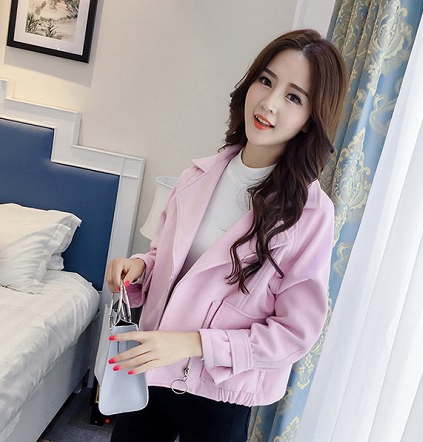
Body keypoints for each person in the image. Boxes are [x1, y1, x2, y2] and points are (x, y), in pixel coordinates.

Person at [105, 28, 347, 442]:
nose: (269, 103)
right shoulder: (197, 175)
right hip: (149, 368)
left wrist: (195, 344)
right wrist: (139, 268)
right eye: (266, 81)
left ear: (311, 118)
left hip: (221, 394)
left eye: (293, 97)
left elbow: (294, 333)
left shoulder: (309, 213)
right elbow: (169, 261)